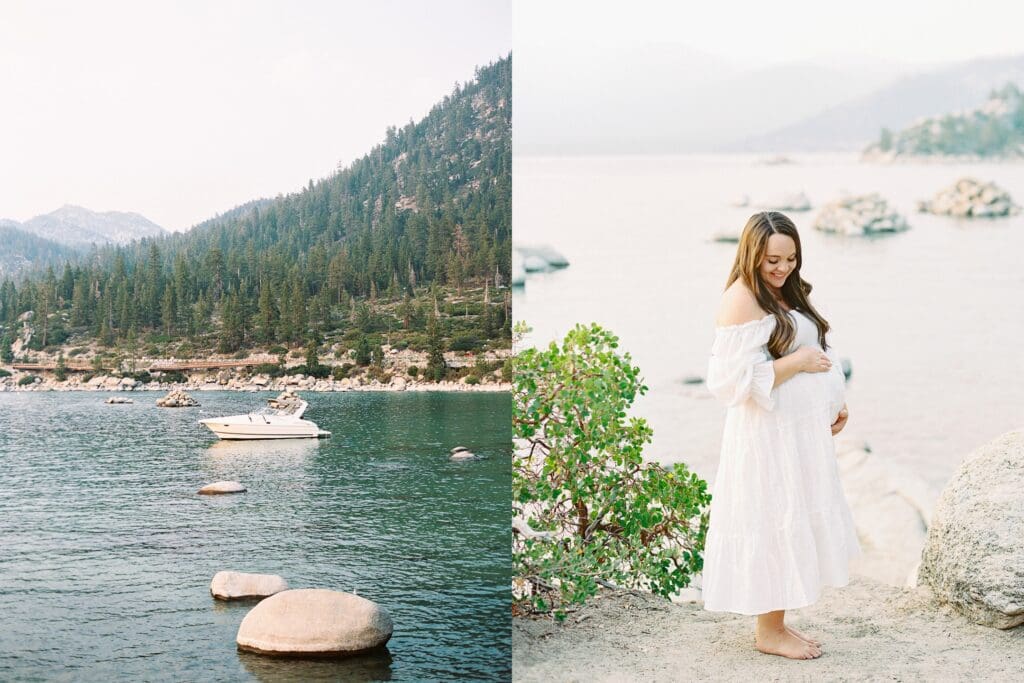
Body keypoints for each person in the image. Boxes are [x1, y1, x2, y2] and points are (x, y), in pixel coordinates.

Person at [701, 210, 861, 660]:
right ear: (752, 253)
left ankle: (779, 624)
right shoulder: (741, 299)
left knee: (792, 514)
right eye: (773, 259)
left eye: (790, 259)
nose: (782, 268)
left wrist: (835, 403)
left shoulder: (784, 292)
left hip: (797, 435)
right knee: (773, 517)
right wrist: (799, 364)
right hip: (767, 436)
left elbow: (818, 349)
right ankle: (768, 631)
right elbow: (728, 382)